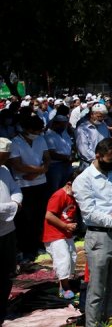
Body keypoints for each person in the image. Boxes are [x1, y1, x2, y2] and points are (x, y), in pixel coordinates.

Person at [73, 137, 112, 327]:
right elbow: (89, 213)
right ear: (98, 156)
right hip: (99, 236)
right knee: (97, 287)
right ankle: (93, 323)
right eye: (110, 159)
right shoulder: (84, 180)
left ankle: (111, 320)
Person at [8, 114, 50, 263]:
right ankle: (26, 250)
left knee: (39, 216)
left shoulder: (40, 139)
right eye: (35, 130)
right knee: (25, 219)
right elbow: (17, 164)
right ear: (27, 129)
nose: (37, 133)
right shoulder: (15, 142)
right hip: (23, 185)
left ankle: (38, 244)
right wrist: (39, 170)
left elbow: (47, 159)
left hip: (40, 183)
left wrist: (39, 171)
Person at [42, 173, 79, 299]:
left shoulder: (74, 196)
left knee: (72, 257)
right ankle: (65, 287)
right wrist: (65, 226)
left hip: (66, 233)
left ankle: (64, 282)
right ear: (69, 184)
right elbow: (49, 215)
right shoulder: (59, 195)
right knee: (63, 259)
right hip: (55, 234)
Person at [0, 138, 22, 324]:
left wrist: (15, 202)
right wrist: (11, 208)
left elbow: (16, 189)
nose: (5, 160)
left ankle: (3, 307)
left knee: (7, 271)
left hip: (8, 230)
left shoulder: (5, 170)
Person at [76, 104, 110, 169]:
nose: (101, 119)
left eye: (103, 117)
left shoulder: (104, 125)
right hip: (88, 164)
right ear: (92, 114)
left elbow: (108, 141)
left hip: (103, 162)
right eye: (99, 116)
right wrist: (99, 159)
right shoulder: (82, 129)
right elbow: (84, 150)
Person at [45, 114, 74, 191]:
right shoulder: (48, 135)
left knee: (66, 188)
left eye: (65, 124)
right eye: (61, 124)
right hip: (55, 166)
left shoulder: (64, 133)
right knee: (55, 189)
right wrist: (67, 157)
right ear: (55, 124)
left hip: (67, 164)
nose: (63, 127)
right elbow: (51, 154)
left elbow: (70, 146)